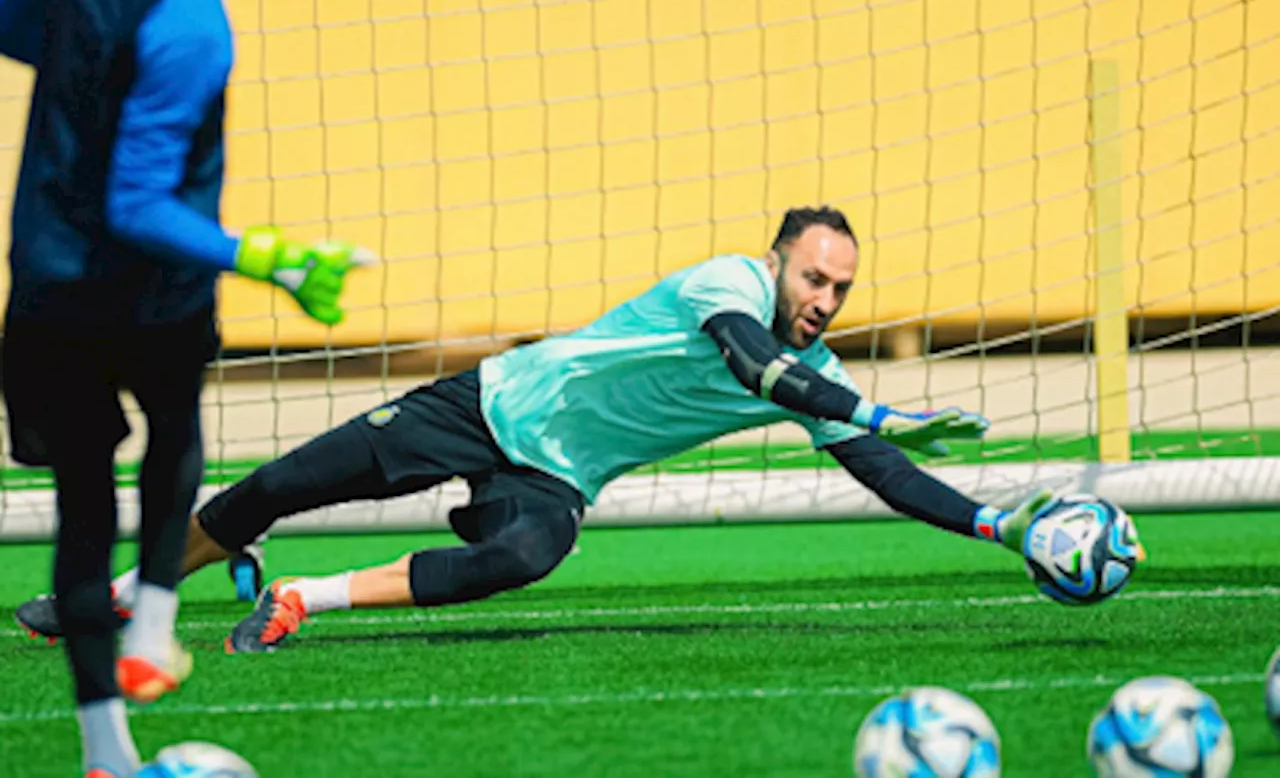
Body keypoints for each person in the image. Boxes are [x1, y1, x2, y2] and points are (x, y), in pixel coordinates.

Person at [20, 206, 1042, 660]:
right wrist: (867, 407)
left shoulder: (812, 374)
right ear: (778, 260)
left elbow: (888, 475)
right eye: (813, 276)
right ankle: (122, 594)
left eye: (840, 289)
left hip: (553, 473)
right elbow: (745, 358)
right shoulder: (727, 285)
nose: (823, 299)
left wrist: (1004, 528)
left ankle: (302, 596)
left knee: (529, 549)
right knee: (286, 480)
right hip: (488, 403)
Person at [0, 0, 372, 774]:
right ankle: (157, 626)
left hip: (47, 279)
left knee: (82, 511)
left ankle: (107, 751)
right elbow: (138, 204)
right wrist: (264, 258)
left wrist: (89, 80)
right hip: (147, 292)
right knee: (175, 432)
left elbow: (13, 25)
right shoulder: (193, 21)